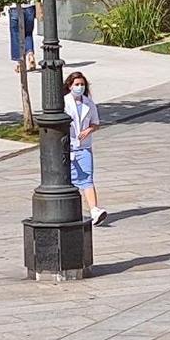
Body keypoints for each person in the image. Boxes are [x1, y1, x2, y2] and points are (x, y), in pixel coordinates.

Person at [65, 72, 107, 226]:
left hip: (84, 147)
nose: (79, 87)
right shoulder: (64, 103)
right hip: (68, 147)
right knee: (71, 180)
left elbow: (95, 123)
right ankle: (71, 211)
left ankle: (94, 210)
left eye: (82, 84)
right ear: (70, 86)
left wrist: (89, 130)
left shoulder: (89, 103)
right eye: (76, 84)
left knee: (87, 177)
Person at [0, 0, 41, 73]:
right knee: (28, 33)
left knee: (16, 35)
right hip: (29, 7)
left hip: (15, 8)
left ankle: (20, 62)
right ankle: (30, 54)